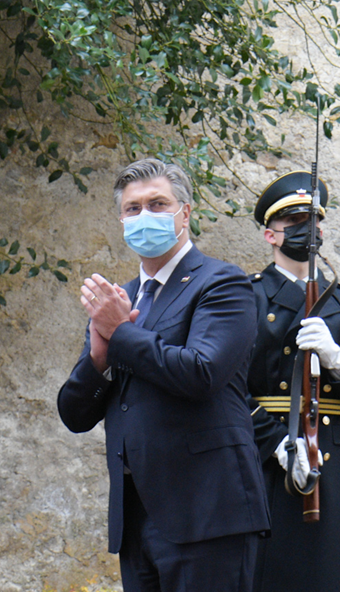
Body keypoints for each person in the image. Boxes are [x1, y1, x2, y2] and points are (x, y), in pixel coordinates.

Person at [59, 158, 268, 592]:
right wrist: (98, 359)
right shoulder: (122, 297)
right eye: (133, 208)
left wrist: (121, 333)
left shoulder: (222, 283)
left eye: (157, 204)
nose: (144, 216)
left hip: (207, 511)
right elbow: (74, 414)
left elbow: (201, 373)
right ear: (121, 220)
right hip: (136, 514)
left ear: (184, 213)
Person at [245, 171, 340, 591]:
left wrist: (336, 358)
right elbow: (227, 389)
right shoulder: (247, 296)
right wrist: (277, 444)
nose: (308, 230)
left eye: (313, 221)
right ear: (271, 235)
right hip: (270, 456)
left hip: (334, 456)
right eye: (295, 222)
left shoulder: (338, 300)